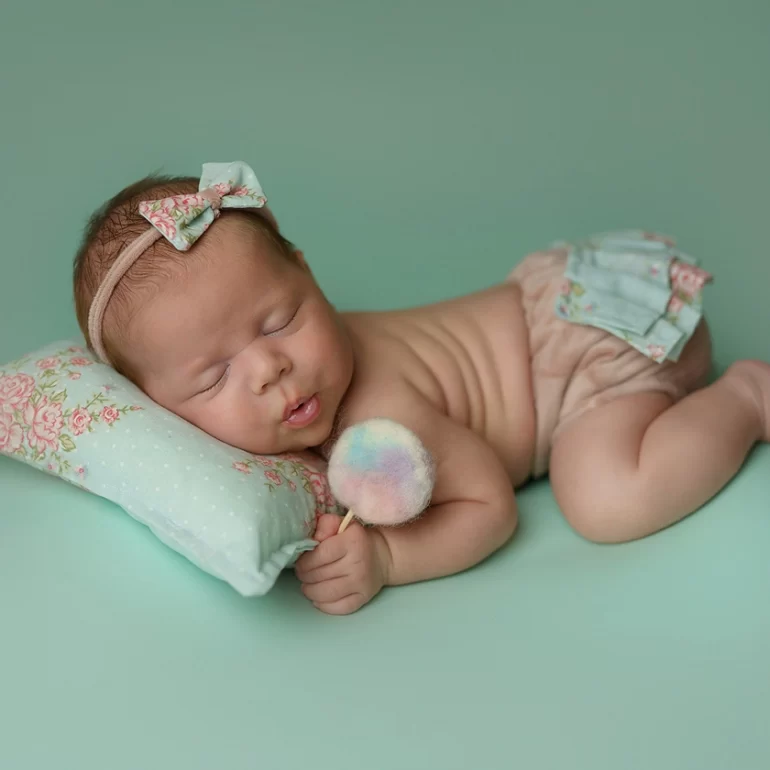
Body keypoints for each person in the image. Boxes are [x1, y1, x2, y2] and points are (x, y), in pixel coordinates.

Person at [73, 161, 769, 614]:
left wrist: (388, 557)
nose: (269, 369)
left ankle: (745, 397)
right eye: (215, 376)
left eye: (282, 319)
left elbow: (490, 506)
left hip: (596, 349)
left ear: (309, 274)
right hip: (552, 313)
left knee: (603, 499)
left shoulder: (379, 409)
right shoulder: (269, 403)